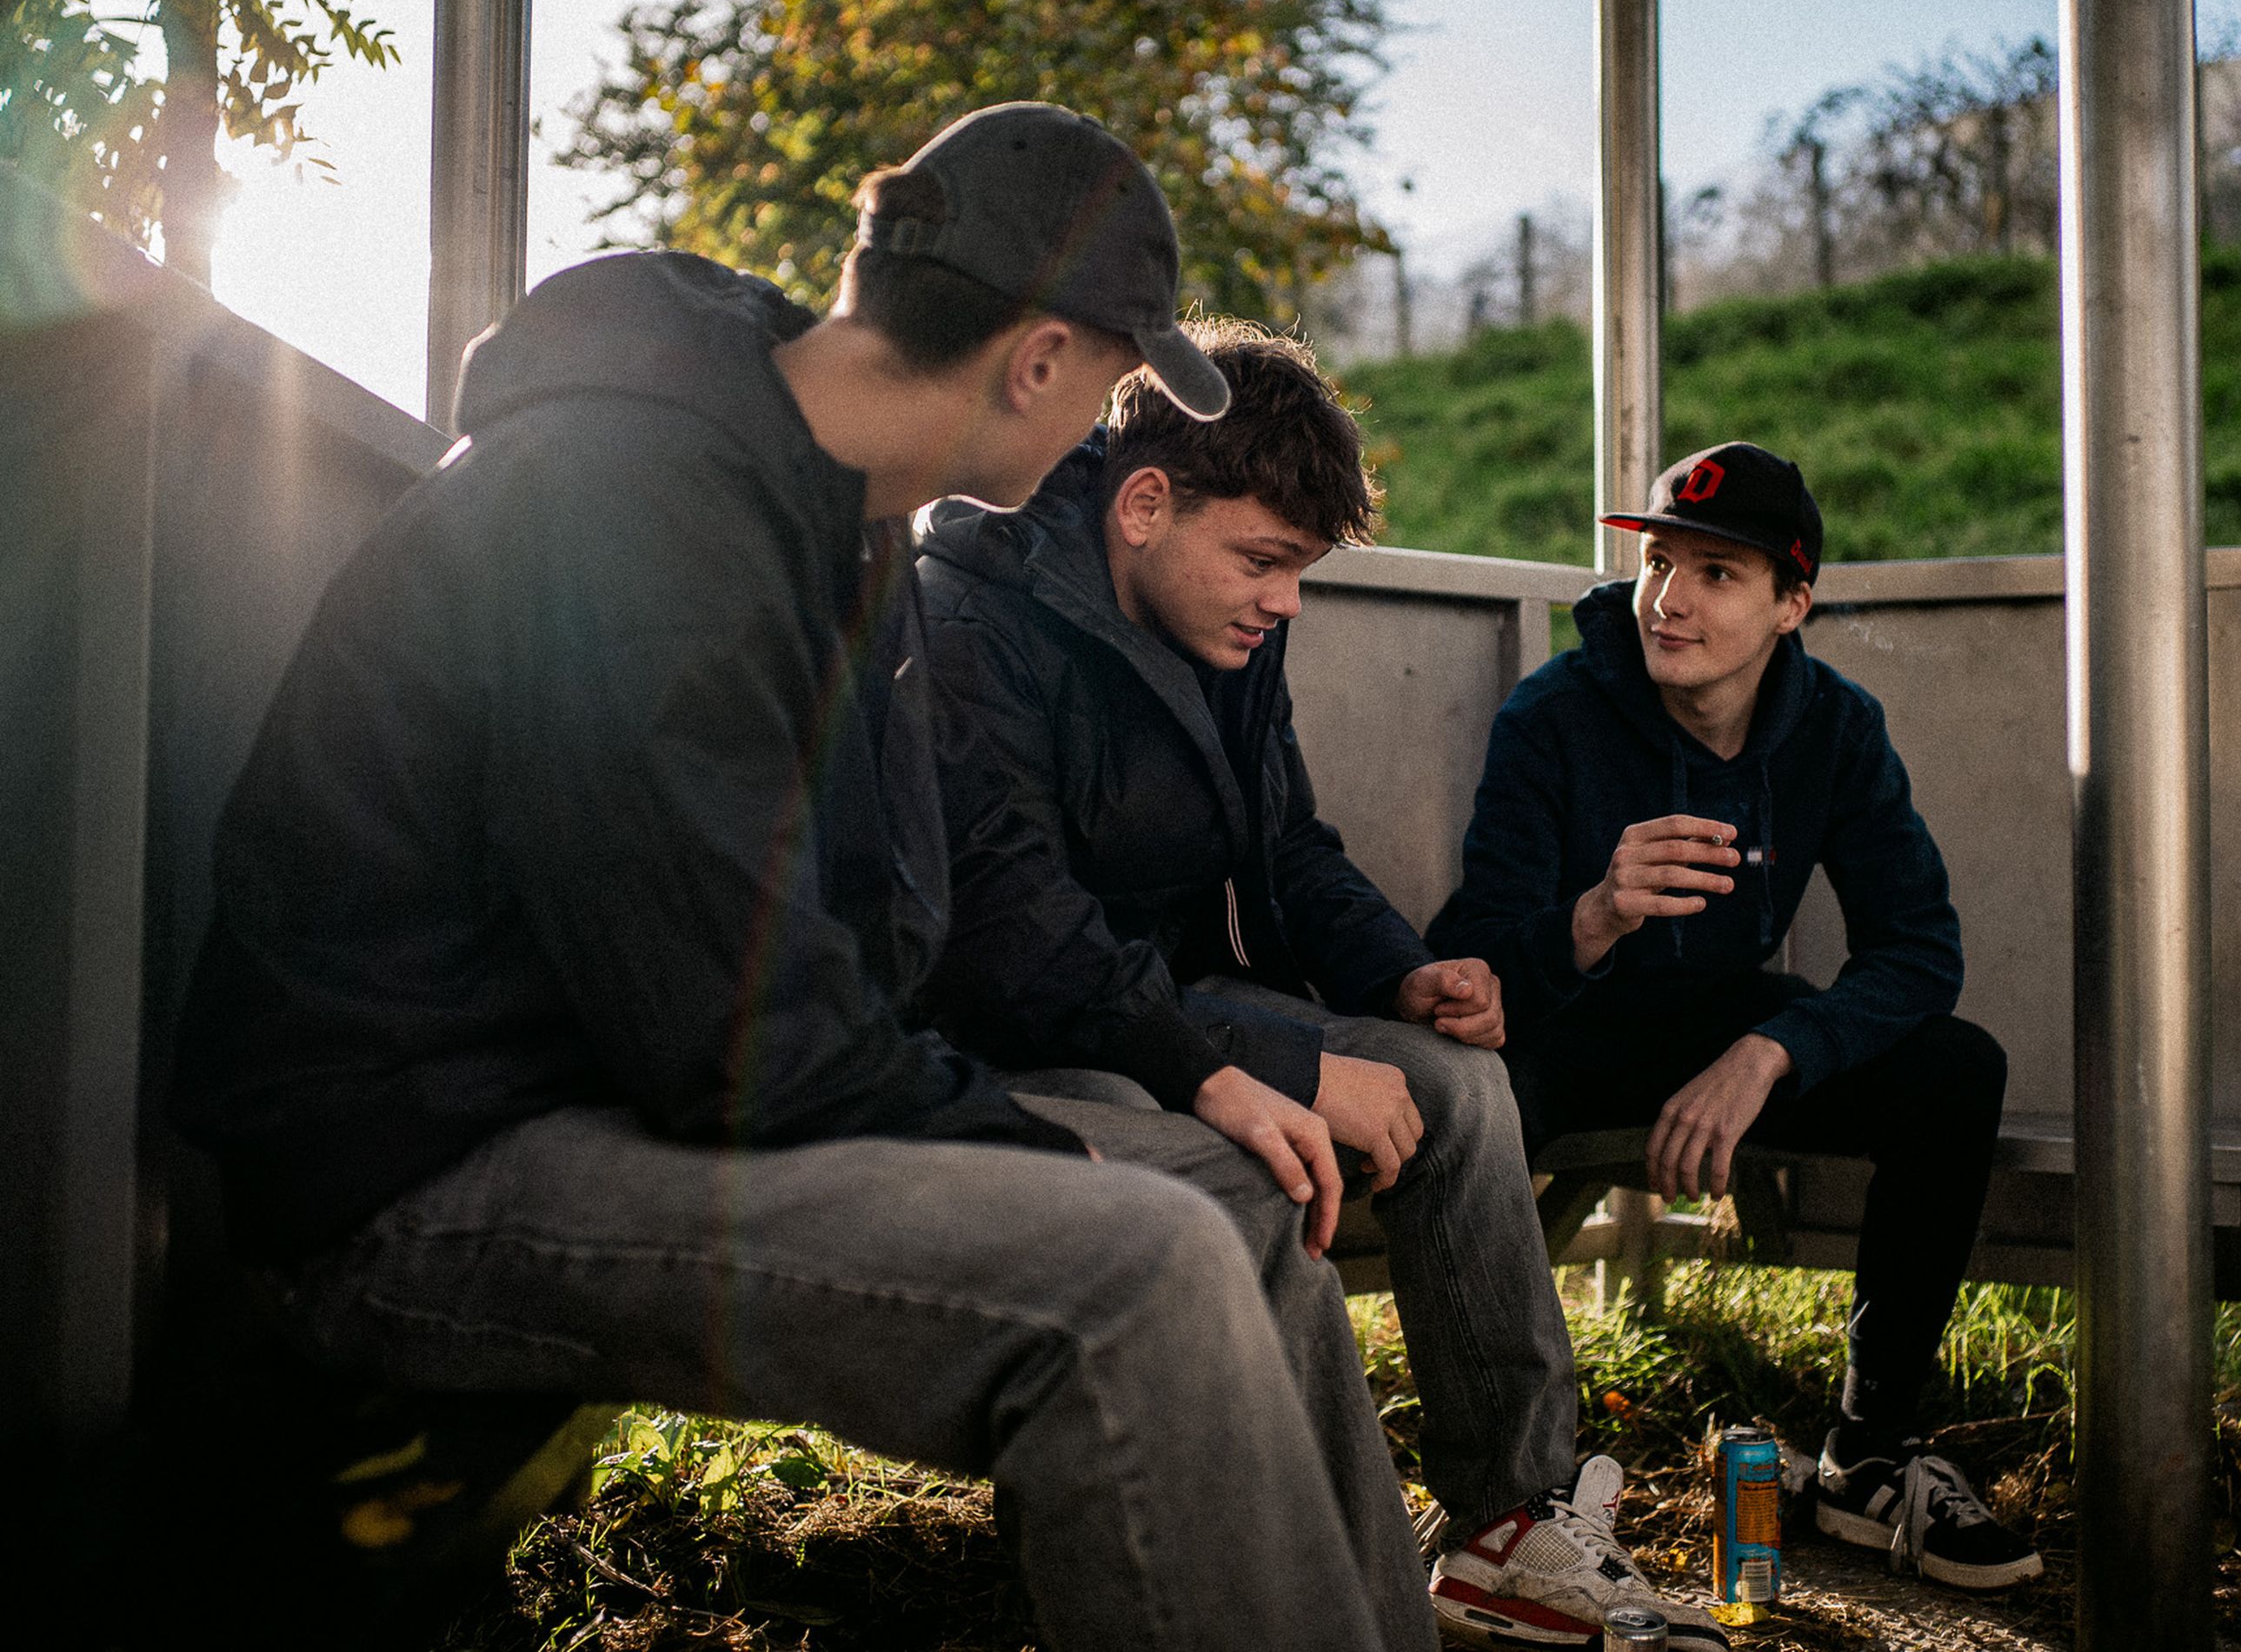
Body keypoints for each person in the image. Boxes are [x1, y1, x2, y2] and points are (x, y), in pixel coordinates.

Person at [170, 103, 1421, 1652]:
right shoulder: (632, 501)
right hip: (411, 1171)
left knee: (1234, 1202)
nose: (1102, 434)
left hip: (612, 1095)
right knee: (1141, 1269)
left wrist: (1082, 1113)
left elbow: (823, 962)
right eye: (1112, 381)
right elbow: (733, 1033)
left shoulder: (824, 507)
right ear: (1038, 359)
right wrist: (1026, 1149)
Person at [915, 320, 1731, 1650]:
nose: (1285, 602)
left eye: (1298, 569)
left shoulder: (1226, 623)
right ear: (1143, 505)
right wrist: (1275, 1067)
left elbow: (1289, 845)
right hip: (1009, 1040)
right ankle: (1219, 1574)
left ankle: (1510, 1524)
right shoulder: (969, 614)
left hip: (1178, 1004)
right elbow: (1013, 937)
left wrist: (1403, 975)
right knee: (1188, 1152)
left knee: (1457, 1083)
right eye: (1264, 561)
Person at [1427, 441, 2043, 1593]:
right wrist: (1597, 914)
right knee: (1474, 1097)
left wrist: (1772, 1051)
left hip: (1723, 1025)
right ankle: (1515, 1501)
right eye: (1660, 563)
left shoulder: (1835, 727)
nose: (1670, 599)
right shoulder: (1554, 714)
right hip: (1566, 1025)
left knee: (1955, 1070)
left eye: (1717, 574)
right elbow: (1470, 960)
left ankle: (1870, 1455)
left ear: (1790, 604)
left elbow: (1918, 948)